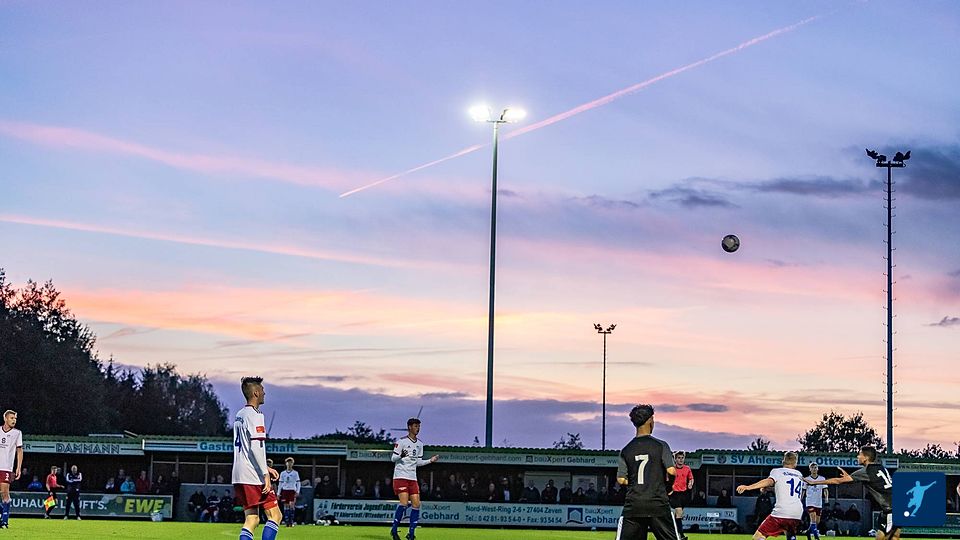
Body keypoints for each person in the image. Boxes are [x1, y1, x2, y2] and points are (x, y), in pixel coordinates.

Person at [615, 404, 681, 540]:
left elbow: (621, 480)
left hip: (634, 504)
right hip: (658, 503)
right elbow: (672, 471)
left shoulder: (626, 450)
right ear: (650, 420)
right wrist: (669, 487)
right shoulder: (660, 445)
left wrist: (637, 483)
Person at [805, 445, 897, 540]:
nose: (857, 456)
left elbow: (837, 481)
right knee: (881, 537)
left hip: (891, 510)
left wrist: (814, 482)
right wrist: (849, 477)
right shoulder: (881, 467)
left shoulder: (866, 471)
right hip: (890, 508)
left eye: (859, 454)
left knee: (890, 538)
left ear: (866, 458)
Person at [232, 376, 282, 540]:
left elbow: (246, 448)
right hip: (253, 475)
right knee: (275, 515)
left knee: (252, 519)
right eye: (262, 389)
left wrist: (265, 467)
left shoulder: (239, 415)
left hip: (239, 474)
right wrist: (265, 474)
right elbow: (255, 447)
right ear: (255, 393)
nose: (264, 393)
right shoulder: (256, 415)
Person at [389, 417, 440, 540]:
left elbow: (418, 462)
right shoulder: (401, 442)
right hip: (401, 476)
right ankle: (394, 530)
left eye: (419, 426)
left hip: (412, 478)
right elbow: (393, 458)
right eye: (416, 426)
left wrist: (430, 460)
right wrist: (401, 455)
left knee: (416, 504)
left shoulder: (419, 444)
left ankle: (411, 534)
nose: (418, 428)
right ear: (409, 427)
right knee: (404, 503)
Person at [736, 451, 805, 540]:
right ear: (795, 463)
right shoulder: (799, 475)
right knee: (789, 534)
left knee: (758, 537)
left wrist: (748, 487)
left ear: (783, 461)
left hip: (782, 512)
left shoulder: (777, 471)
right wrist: (769, 489)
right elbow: (787, 489)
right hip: (797, 512)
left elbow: (769, 481)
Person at [0, 411, 23, 530]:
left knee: (4, 493)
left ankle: (4, 521)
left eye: (15, 418)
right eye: (12, 418)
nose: (14, 420)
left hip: (6, 468)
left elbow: (19, 450)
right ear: (5, 418)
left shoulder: (17, 433)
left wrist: (18, 467)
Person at [670, 451, 695, 540]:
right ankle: (681, 535)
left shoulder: (687, 468)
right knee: (679, 512)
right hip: (674, 493)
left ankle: (675, 532)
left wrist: (690, 483)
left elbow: (691, 478)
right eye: (679, 458)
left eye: (682, 458)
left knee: (678, 515)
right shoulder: (672, 469)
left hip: (684, 494)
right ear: (675, 459)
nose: (680, 460)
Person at [802, 462, 828, 540]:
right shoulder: (806, 479)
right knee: (812, 518)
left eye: (815, 467)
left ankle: (808, 532)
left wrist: (826, 498)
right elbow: (803, 490)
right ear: (810, 469)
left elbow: (825, 489)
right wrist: (800, 499)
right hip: (810, 502)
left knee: (817, 521)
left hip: (818, 502)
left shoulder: (822, 479)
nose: (814, 469)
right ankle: (816, 536)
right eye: (812, 468)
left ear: (818, 469)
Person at [277, 457, 300, 527]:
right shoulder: (283, 473)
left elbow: (298, 482)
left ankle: (291, 521)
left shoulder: (295, 473)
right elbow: (280, 483)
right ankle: (287, 521)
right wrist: (278, 493)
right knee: (286, 506)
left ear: (292, 464)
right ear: (286, 463)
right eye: (288, 463)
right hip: (285, 491)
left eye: (291, 463)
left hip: (292, 490)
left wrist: (297, 491)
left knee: (292, 505)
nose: (289, 464)